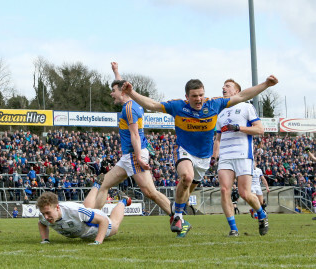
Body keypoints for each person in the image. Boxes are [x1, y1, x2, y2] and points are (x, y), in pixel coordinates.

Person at [122, 74, 278, 235]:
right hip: (185, 150)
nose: (198, 99)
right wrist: (132, 93)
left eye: (201, 95)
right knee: (187, 177)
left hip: (204, 157)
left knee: (188, 190)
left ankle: (178, 209)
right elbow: (153, 104)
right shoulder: (177, 107)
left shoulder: (214, 104)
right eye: (194, 96)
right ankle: (178, 217)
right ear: (187, 97)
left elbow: (242, 95)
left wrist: (266, 84)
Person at [95, 62, 173, 228]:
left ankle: (178, 217)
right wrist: (116, 72)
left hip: (133, 155)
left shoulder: (129, 109)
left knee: (150, 193)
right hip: (129, 156)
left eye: (113, 91)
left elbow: (135, 135)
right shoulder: (130, 104)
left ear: (122, 92)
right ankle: (91, 220)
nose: (111, 93)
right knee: (104, 185)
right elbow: (121, 84)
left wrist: (139, 157)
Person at [212, 78, 269, 236]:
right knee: (224, 190)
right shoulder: (221, 111)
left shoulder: (246, 107)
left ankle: (261, 214)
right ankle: (233, 229)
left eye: (228, 86)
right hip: (225, 156)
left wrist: (238, 127)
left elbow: (259, 130)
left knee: (245, 193)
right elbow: (218, 139)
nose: (224, 88)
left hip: (243, 155)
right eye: (223, 86)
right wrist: (214, 156)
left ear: (237, 92)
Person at [37, 188, 131, 245]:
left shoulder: (73, 211)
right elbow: (41, 223)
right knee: (86, 209)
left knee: (114, 226)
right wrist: (45, 240)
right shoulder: (43, 216)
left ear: (57, 207)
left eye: (48, 213)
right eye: (43, 213)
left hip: (93, 226)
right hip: (84, 221)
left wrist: (97, 242)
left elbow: (103, 221)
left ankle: (123, 201)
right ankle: (97, 185)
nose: (45, 216)